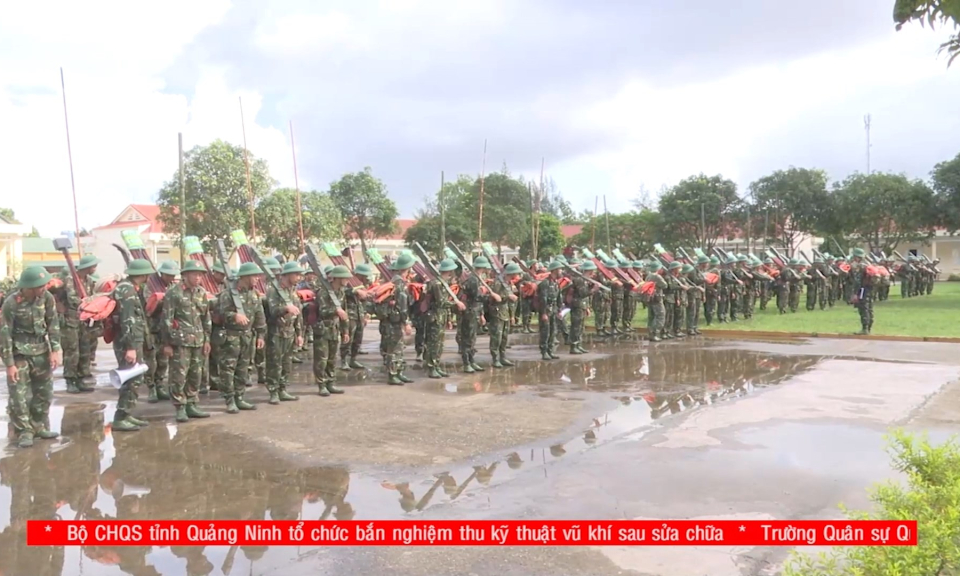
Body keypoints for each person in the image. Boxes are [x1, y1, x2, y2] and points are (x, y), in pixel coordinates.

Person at [0, 266, 62, 447]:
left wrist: (55, 350)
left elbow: (53, 324)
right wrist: (9, 364)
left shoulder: (47, 298)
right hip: (20, 354)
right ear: (29, 286)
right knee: (19, 395)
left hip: (41, 351)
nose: (44, 287)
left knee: (44, 392)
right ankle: (24, 431)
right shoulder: (12, 303)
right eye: (40, 285)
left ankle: (38, 425)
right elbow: (4, 334)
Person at [161, 260, 212, 422]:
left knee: (195, 374)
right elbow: (166, 319)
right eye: (195, 274)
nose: (198, 277)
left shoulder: (201, 293)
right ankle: (180, 407)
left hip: (198, 340)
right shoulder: (174, 293)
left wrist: (207, 339)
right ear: (185, 275)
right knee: (178, 375)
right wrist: (167, 343)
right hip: (180, 342)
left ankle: (191, 403)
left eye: (200, 274)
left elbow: (206, 317)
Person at [214, 262, 265, 413]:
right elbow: (220, 313)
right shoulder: (229, 294)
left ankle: (240, 397)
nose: (257, 279)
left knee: (243, 368)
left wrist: (260, 335)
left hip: (247, 337)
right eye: (254, 276)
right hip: (231, 337)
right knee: (228, 369)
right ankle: (229, 399)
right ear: (245, 276)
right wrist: (234, 316)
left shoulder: (254, 294)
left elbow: (259, 315)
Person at [110, 258, 154, 432]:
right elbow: (127, 320)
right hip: (128, 342)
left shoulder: (126, 288)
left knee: (134, 378)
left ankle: (126, 414)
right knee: (131, 379)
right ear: (143, 274)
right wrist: (131, 347)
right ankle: (120, 417)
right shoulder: (127, 291)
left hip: (132, 341)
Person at [54, 254, 98, 394]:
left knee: (85, 350)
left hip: (85, 320)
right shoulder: (70, 280)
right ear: (88, 267)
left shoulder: (90, 281)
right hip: (70, 320)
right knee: (72, 352)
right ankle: (70, 380)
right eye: (93, 266)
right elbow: (72, 298)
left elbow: (92, 296)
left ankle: (81, 378)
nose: (95, 268)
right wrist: (86, 303)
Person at [265, 261, 304, 404]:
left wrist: (299, 334)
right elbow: (272, 311)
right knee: (275, 363)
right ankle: (273, 391)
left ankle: (283, 389)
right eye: (296, 274)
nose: (299, 277)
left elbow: (298, 315)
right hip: (276, 332)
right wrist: (285, 309)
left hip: (290, 332)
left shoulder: (292, 292)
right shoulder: (273, 291)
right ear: (286, 275)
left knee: (287, 363)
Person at [311, 265, 351, 396]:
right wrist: (335, 311)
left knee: (332, 359)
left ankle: (330, 382)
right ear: (338, 278)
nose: (347, 280)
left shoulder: (341, 292)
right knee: (321, 359)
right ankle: (321, 384)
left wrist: (345, 331)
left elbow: (344, 313)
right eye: (345, 277)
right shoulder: (324, 292)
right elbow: (322, 311)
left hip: (334, 329)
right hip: (322, 330)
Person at [423, 259, 465, 378]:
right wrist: (456, 304)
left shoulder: (443, 283)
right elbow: (441, 302)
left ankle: (436, 365)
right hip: (435, 317)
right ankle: (431, 367)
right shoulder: (437, 284)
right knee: (434, 344)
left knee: (440, 344)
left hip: (441, 317)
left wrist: (449, 319)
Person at [145, 261, 178, 403]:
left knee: (163, 360)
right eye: (168, 275)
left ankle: (160, 385)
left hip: (165, 329)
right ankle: (151, 388)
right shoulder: (149, 286)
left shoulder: (172, 286)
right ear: (161, 273)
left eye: (172, 275)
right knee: (151, 361)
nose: (170, 278)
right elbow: (148, 306)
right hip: (151, 328)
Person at [380, 253, 415, 384]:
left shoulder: (395, 281)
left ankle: (398, 372)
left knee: (398, 348)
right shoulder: (400, 284)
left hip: (393, 320)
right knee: (394, 349)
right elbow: (402, 306)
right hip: (394, 321)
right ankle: (393, 374)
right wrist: (406, 322)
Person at [458, 256, 496, 373]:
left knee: (472, 338)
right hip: (470, 312)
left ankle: (471, 360)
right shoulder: (473, 280)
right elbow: (476, 297)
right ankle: (466, 363)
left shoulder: (476, 278)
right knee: (468, 339)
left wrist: (481, 314)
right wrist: (488, 295)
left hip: (475, 311)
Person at [340, 263, 375, 371]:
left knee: (358, 339)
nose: (365, 278)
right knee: (348, 339)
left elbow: (365, 302)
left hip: (359, 315)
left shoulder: (362, 285)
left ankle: (353, 359)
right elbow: (342, 292)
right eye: (363, 276)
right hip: (350, 316)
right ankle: (343, 360)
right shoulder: (348, 284)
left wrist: (366, 314)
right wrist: (355, 291)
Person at [489, 263, 521, 368]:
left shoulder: (508, 283)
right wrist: (508, 296)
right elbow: (494, 298)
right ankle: (495, 358)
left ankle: (502, 356)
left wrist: (512, 315)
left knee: (504, 337)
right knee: (496, 337)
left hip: (506, 312)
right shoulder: (498, 283)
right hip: (497, 312)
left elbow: (512, 301)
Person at [568, 260, 596, 354]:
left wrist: (587, 307)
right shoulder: (579, 280)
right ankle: (573, 346)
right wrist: (594, 289)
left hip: (582, 306)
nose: (593, 273)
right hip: (577, 306)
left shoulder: (585, 280)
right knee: (576, 326)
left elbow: (585, 297)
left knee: (580, 326)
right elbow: (583, 293)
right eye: (592, 271)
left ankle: (578, 345)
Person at [537, 261, 563, 360]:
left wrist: (559, 310)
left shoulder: (556, 283)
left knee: (553, 331)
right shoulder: (545, 283)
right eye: (560, 269)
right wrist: (543, 313)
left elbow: (559, 297)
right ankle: (544, 352)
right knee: (545, 331)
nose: (561, 271)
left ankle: (550, 351)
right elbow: (543, 299)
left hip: (554, 310)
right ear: (555, 270)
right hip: (546, 310)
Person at [849, 247, 874, 334]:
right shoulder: (867, 264)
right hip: (869, 289)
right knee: (869, 308)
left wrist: (856, 293)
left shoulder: (859, 266)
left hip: (862, 289)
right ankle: (868, 328)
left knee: (863, 308)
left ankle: (865, 329)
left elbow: (858, 281)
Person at [644, 261, 668, 342]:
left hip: (650, 298)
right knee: (660, 316)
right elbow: (665, 285)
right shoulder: (657, 276)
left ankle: (650, 333)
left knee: (651, 316)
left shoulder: (648, 276)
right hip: (657, 298)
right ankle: (655, 333)